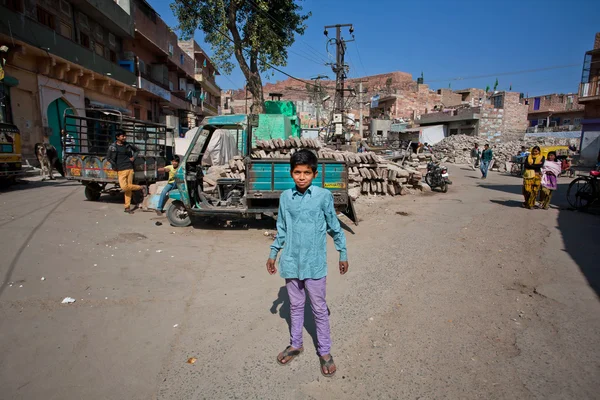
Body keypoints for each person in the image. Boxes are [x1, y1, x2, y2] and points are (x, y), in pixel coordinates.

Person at [266, 149, 348, 378]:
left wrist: (343, 252)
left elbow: (334, 226)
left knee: (319, 309)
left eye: (307, 173)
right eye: (297, 172)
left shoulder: (323, 196)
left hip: (314, 264)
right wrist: (273, 253)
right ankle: (296, 344)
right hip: (291, 262)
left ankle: (324, 351)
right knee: (294, 306)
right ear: (291, 172)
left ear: (315, 173)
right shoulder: (285, 197)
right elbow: (281, 228)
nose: (301, 177)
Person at [106, 130, 147, 214]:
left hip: (129, 168)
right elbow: (108, 157)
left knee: (128, 190)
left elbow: (137, 150)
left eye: (125, 136)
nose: (124, 137)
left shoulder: (127, 145)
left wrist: (133, 158)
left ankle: (127, 207)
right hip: (120, 169)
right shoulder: (112, 147)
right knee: (124, 187)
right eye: (122, 136)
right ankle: (141, 187)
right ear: (117, 137)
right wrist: (115, 165)